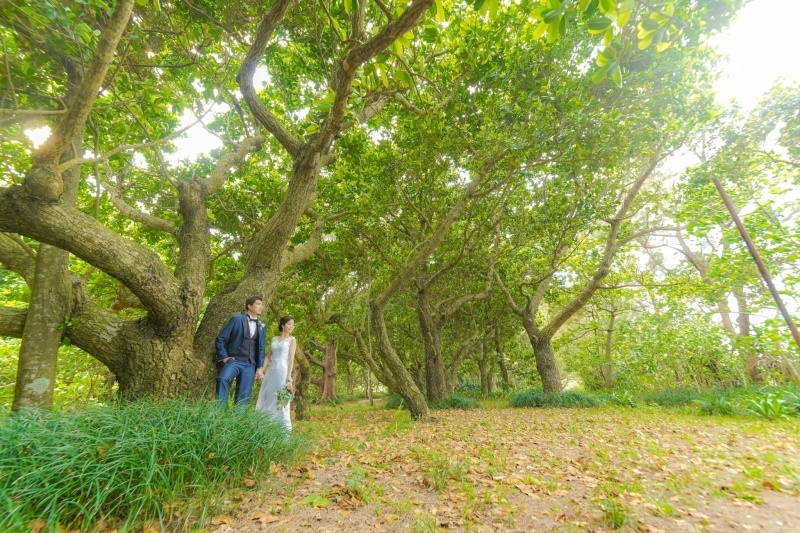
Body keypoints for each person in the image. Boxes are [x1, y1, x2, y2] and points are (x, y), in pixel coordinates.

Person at [215, 296, 266, 407]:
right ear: (249, 306)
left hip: (250, 364)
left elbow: (261, 347)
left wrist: (260, 367)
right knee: (223, 379)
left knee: (244, 394)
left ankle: (238, 421)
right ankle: (218, 413)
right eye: (258, 304)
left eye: (261, 304)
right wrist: (224, 357)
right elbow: (220, 338)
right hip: (234, 361)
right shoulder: (237, 319)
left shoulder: (262, 325)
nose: (261, 307)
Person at [255, 316, 296, 431]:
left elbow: (291, 359)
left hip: (283, 371)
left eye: (293, 324)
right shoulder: (274, 339)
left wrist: (289, 375)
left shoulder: (292, 340)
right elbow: (268, 356)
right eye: (289, 324)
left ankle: (283, 429)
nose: (291, 326)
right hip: (271, 370)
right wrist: (261, 369)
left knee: (279, 397)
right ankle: (266, 425)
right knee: (268, 395)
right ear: (283, 325)